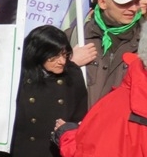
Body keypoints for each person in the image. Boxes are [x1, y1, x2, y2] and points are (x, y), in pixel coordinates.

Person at [53, 20, 147, 156]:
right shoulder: (76, 34)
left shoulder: (119, 105)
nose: (133, 8)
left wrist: (68, 135)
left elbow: (91, 151)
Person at [69, 0, 147, 108]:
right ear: (103, 3)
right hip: (79, 126)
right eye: (125, 2)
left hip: (122, 127)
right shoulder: (75, 36)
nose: (134, 8)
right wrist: (70, 65)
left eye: (136, 1)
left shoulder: (144, 40)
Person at [10, 25, 87, 157]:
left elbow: (80, 116)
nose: (62, 61)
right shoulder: (16, 75)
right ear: (38, 53)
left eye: (65, 54)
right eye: (54, 56)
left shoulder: (73, 74)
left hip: (54, 151)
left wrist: (68, 128)